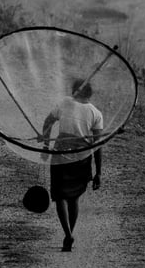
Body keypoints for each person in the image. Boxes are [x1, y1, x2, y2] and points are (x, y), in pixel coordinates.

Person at [42, 78, 103, 252]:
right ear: (89, 95)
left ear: (74, 92)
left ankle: (68, 233)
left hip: (60, 154)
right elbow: (97, 145)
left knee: (59, 197)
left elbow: (47, 122)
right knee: (73, 198)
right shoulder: (95, 113)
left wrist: (46, 146)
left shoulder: (64, 103)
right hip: (81, 159)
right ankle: (70, 233)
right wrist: (98, 172)